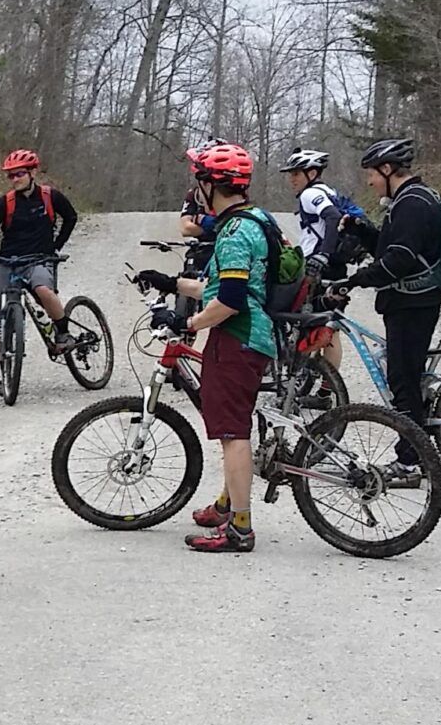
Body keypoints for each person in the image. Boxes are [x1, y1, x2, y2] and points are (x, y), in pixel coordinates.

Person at [131, 143, 278, 554]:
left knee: (233, 434)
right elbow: (223, 287)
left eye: (199, 179)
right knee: (234, 427)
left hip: (238, 337)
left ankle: (240, 530)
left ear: (213, 185)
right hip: (253, 333)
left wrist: (187, 322)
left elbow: (229, 301)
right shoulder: (254, 219)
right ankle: (227, 505)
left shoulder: (233, 233)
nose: (194, 188)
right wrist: (170, 282)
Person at [340, 137, 441, 487]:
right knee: (404, 377)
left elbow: (398, 261)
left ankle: (411, 462)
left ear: (387, 170)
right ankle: (416, 440)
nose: (369, 181)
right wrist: (362, 230)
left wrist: (354, 281)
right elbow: (391, 248)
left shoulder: (412, 204)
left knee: (402, 381)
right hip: (408, 302)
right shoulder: (406, 201)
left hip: (413, 304)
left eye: (371, 173)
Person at [0, 149, 82, 381]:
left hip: (39, 258)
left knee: (43, 290)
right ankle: (5, 375)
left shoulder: (49, 196)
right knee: (2, 318)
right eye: (11, 176)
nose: (15, 179)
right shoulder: (5, 202)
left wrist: (56, 245)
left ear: (32, 172)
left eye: (19, 174)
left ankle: (63, 333)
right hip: (8, 261)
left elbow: (71, 217)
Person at [279, 148, 362, 373]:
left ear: (312, 173)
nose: (291, 179)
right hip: (337, 267)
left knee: (308, 324)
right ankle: (327, 390)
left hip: (319, 268)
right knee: (331, 328)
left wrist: (322, 255)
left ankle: (296, 382)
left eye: (296, 173)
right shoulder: (329, 191)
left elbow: (333, 217)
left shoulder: (310, 194)